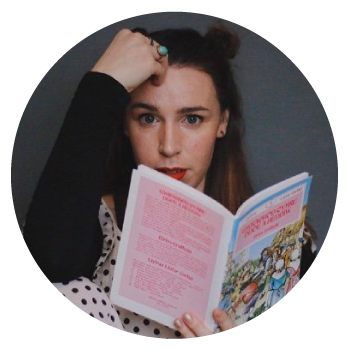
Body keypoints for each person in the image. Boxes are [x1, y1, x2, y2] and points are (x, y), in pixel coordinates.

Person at [22, 24, 316, 338]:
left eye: (192, 119)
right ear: (125, 123)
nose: (169, 146)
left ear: (222, 123)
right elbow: (45, 266)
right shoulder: (92, 224)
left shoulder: (289, 243)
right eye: (148, 118)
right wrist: (102, 84)